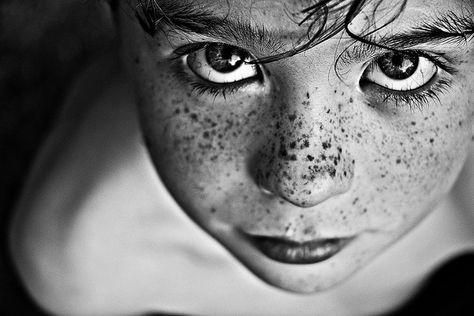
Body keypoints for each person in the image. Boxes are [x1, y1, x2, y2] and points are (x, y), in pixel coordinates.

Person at [7, 0, 474, 314]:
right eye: (223, 59)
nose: (303, 183)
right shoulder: (83, 258)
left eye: (401, 66)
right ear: (116, 30)